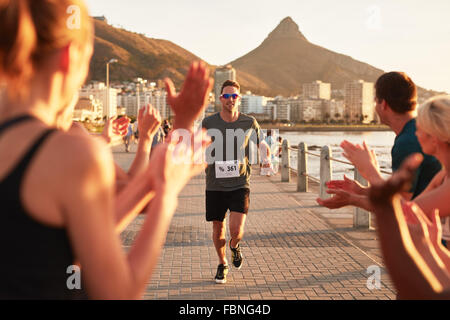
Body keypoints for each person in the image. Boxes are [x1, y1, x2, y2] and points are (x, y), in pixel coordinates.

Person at [0, 0, 212, 299]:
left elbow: (78, 233)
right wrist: (167, 194)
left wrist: (177, 130)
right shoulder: (70, 152)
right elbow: (120, 293)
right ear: (70, 56)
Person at [340, 72, 441, 200]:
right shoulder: (419, 130)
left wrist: (370, 171)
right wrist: (360, 191)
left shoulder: (407, 142)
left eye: (376, 101)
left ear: (383, 104)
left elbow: (399, 206)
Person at [366, 153, 450, 299]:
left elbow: (406, 211)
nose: (416, 132)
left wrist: (373, 176)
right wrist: (431, 247)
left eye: (420, 129)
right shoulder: (443, 175)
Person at [202, 80, 261, 284]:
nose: (230, 99)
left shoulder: (249, 122)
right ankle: (222, 263)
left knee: (236, 231)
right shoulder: (208, 123)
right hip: (215, 185)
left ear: (239, 98)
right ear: (220, 99)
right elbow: (199, 148)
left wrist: (269, 157)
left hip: (240, 183)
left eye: (234, 96)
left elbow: (262, 145)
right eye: (226, 96)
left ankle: (235, 247)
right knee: (218, 230)